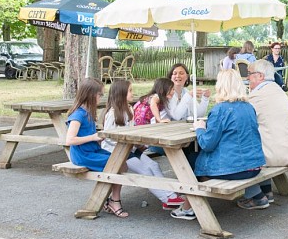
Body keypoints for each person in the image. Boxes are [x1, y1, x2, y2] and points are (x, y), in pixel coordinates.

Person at [170, 70, 267, 220]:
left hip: (234, 169)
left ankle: (189, 208)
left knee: (191, 160)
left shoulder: (220, 109)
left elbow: (207, 144)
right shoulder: (249, 107)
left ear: (221, 86)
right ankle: (257, 195)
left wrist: (200, 128)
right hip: (254, 166)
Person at [102, 80, 185, 210]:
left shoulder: (129, 109)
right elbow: (107, 137)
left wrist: (135, 144)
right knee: (145, 171)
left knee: (154, 165)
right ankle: (166, 199)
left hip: (131, 148)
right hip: (116, 151)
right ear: (121, 93)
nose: (132, 93)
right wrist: (127, 142)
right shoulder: (112, 113)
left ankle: (170, 194)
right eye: (130, 90)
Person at [65, 78, 128, 218]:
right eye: (100, 94)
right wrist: (93, 137)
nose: (101, 97)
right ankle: (114, 201)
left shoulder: (88, 112)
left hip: (93, 151)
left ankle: (112, 199)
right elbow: (70, 140)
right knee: (117, 164)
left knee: (121, 161)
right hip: (83, 155)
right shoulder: (78, 115)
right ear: (91, 95)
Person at [246, 59, 288, 203]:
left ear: (260, 76)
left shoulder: (258, 95)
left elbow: (242, 119)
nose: (247, 78)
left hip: (276, 154)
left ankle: (256, 196)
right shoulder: (277, 90)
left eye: (249, 74)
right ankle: (266, 191)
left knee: (241, 146)